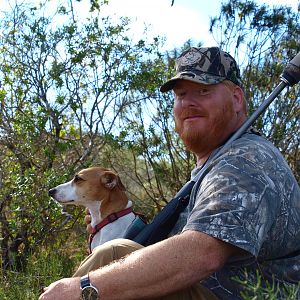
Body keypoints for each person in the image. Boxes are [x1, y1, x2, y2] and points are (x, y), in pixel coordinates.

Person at [39, 47, 300, 300]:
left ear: (236, 99)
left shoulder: (244, 160)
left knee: (114, 254)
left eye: (203, 90)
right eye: (180, 94)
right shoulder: (216, 163)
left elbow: (203, 253)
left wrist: (84, 289)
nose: (188, 102)